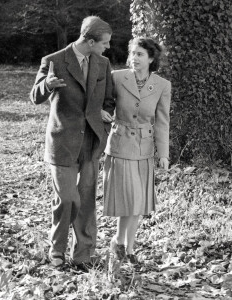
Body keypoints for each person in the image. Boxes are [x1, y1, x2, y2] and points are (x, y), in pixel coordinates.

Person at [30, 16, 115, 269]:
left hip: (91, 142)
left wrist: (103, 117)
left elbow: (108, 100)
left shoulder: (103, 63)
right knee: (67, 198)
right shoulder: (54, 60)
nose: (108, 47)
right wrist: (47, 84)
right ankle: (57, 249)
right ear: (89, 41)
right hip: (62, 142)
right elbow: (34, 96)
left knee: (87, 200)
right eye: (105, 43)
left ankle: (83, 254)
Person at [101, 37, 171, 264]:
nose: (134, 58)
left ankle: (128, 248)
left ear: (151, 58)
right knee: (129, 199)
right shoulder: (117, 77)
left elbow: (162, 121)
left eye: (140, 54)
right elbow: (105, 103)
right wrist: (103, 113)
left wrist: (163, 154)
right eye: (133, 53)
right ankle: (120, 242)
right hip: (120, 144)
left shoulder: (162, 85)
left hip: (144, 148)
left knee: (138, 202)